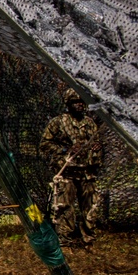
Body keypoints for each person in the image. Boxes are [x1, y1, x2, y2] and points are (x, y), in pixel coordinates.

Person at [39, 89, 102, 246]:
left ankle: (88, 238)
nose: (80, 105)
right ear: (68, 104)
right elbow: (44, 144)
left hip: (87, 172)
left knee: (91, 206)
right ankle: (65, 238)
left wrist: (96, 149)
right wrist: (65, 150)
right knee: (64, 206)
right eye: (76, 102)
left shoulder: (90, 124)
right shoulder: (58, 123)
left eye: (82, 102)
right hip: (66, 172)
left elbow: (97, 143)